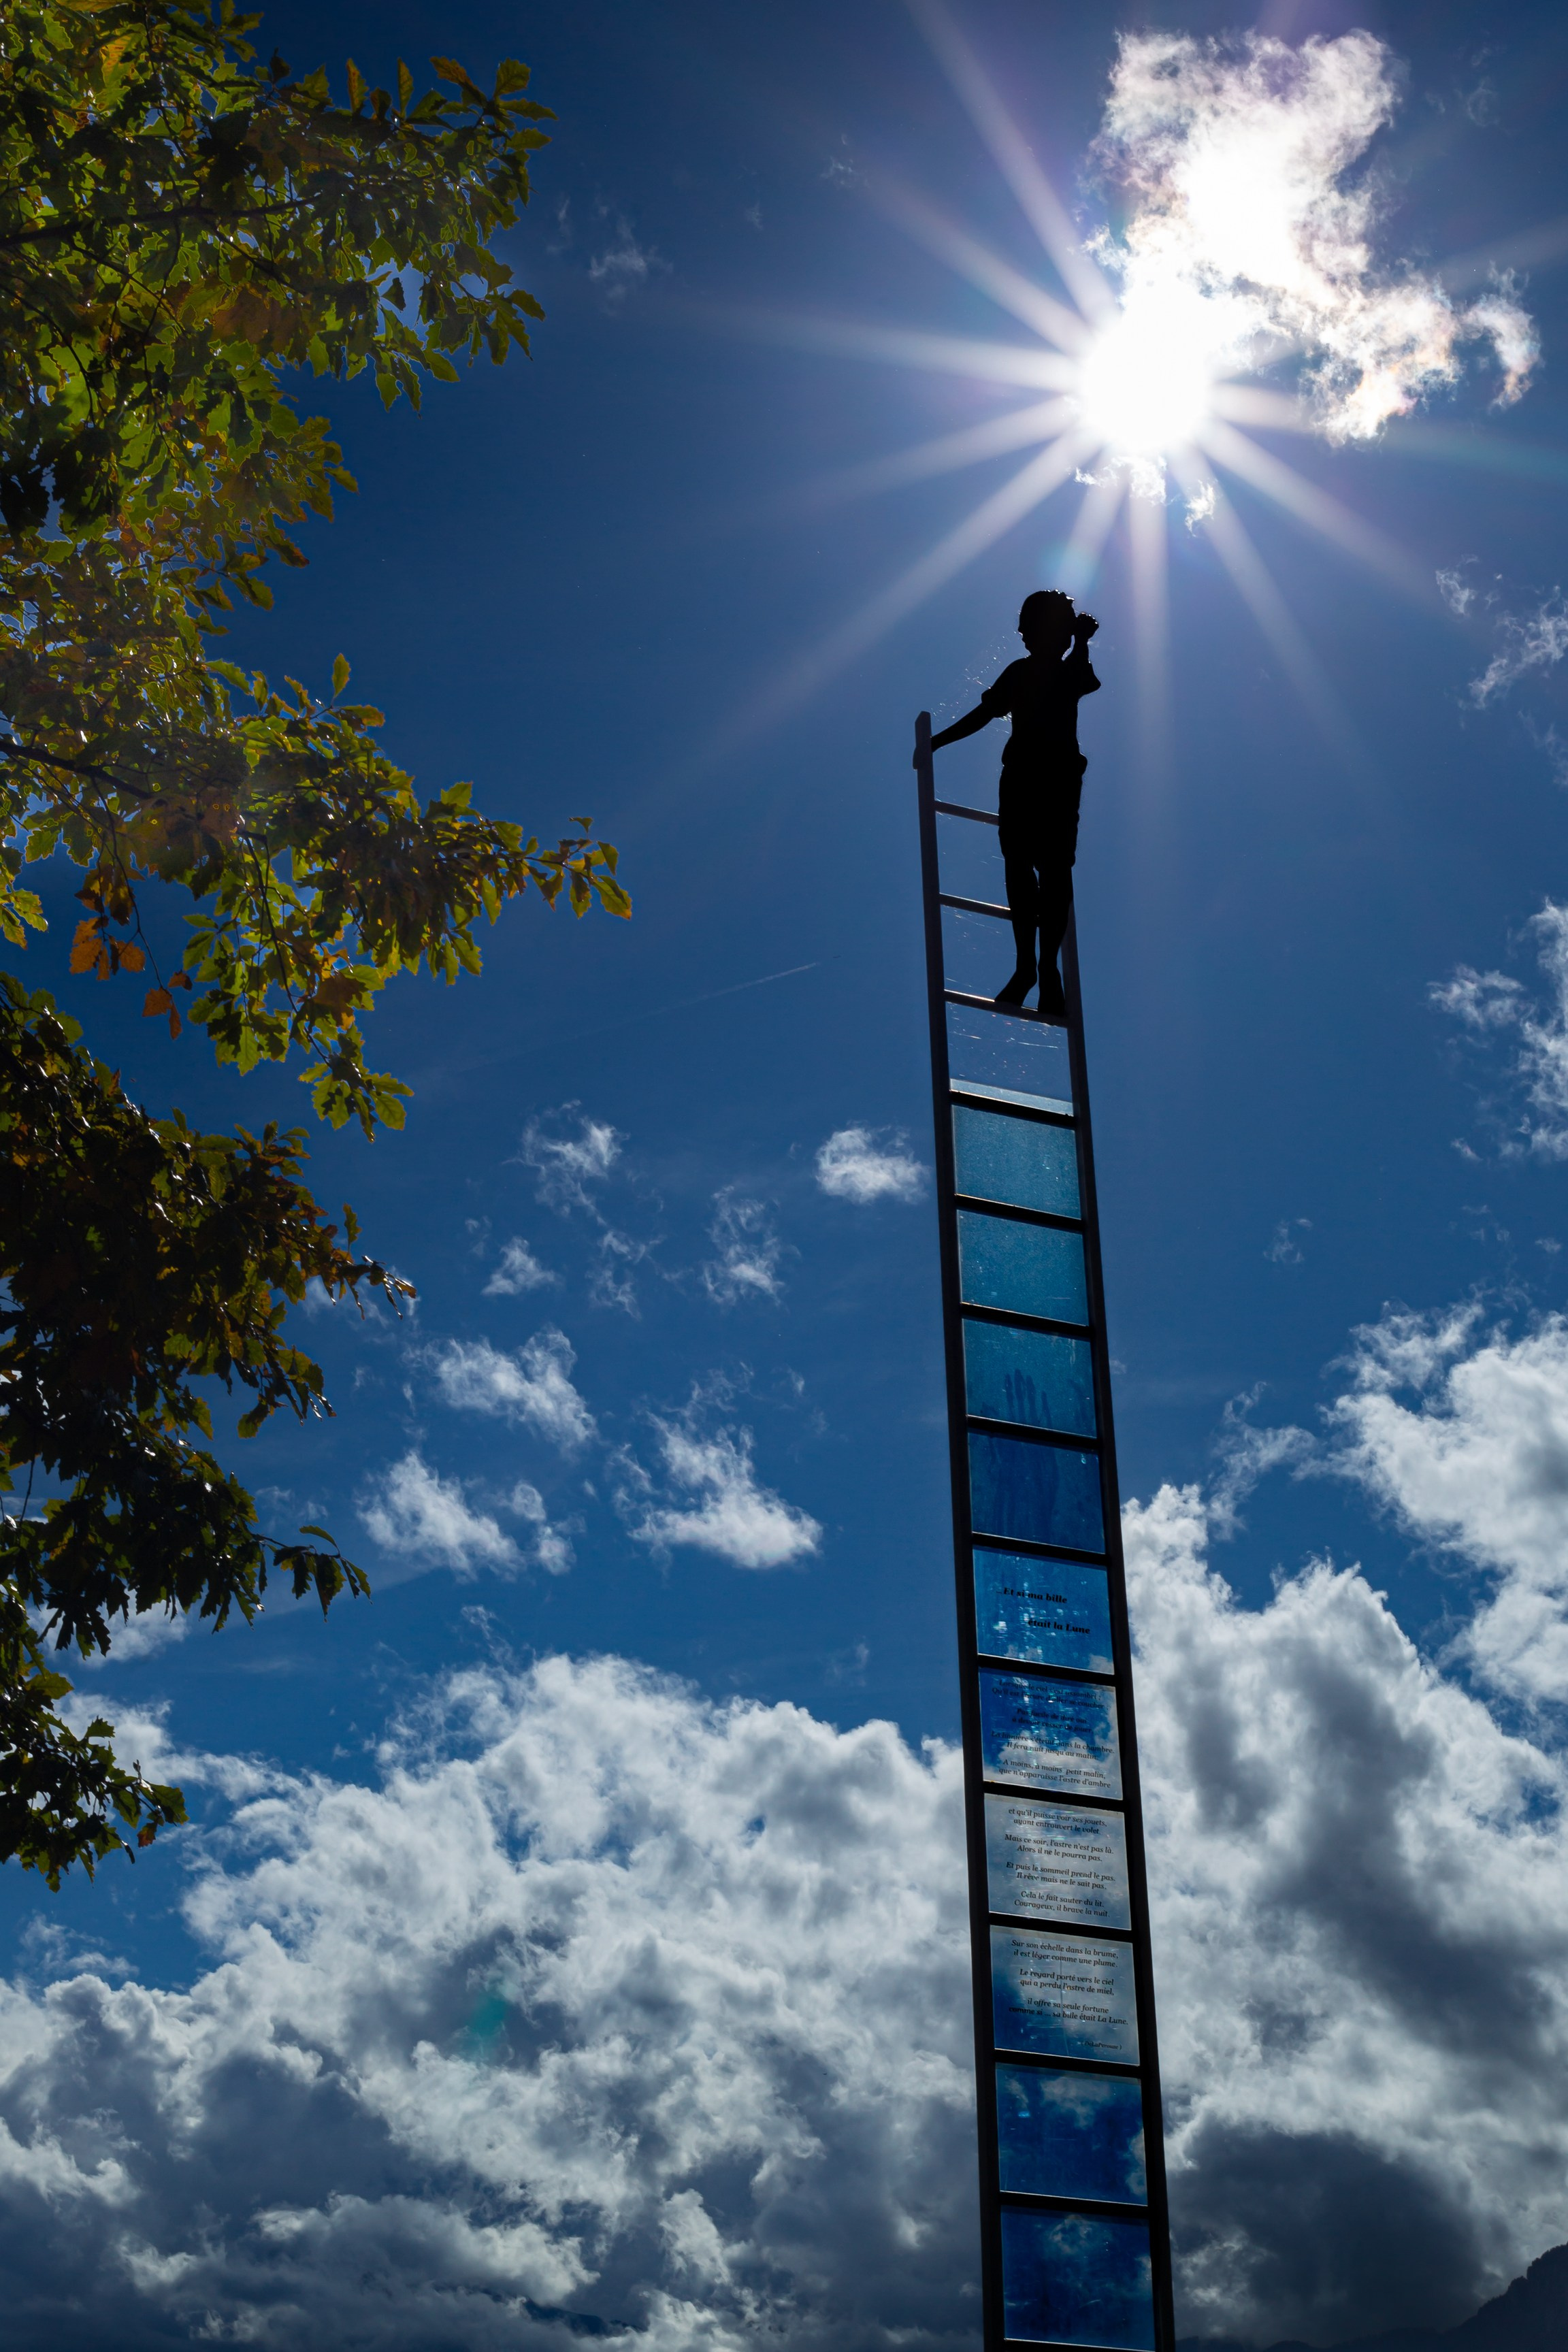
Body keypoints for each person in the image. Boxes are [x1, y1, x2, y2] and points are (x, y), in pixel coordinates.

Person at [925, 590, 1100, 1019]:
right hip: (1022, 775)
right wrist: (936, 743)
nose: (1021, 631)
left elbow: (1079, 680)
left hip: (1057, 777)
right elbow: (984, 714)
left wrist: (1081, 642)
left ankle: (1046, 968)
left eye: (1028, 623)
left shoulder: (1067, 670)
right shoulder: (1020, 672)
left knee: (1055, 869)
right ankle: (1027, 966)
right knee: (1019, 866)